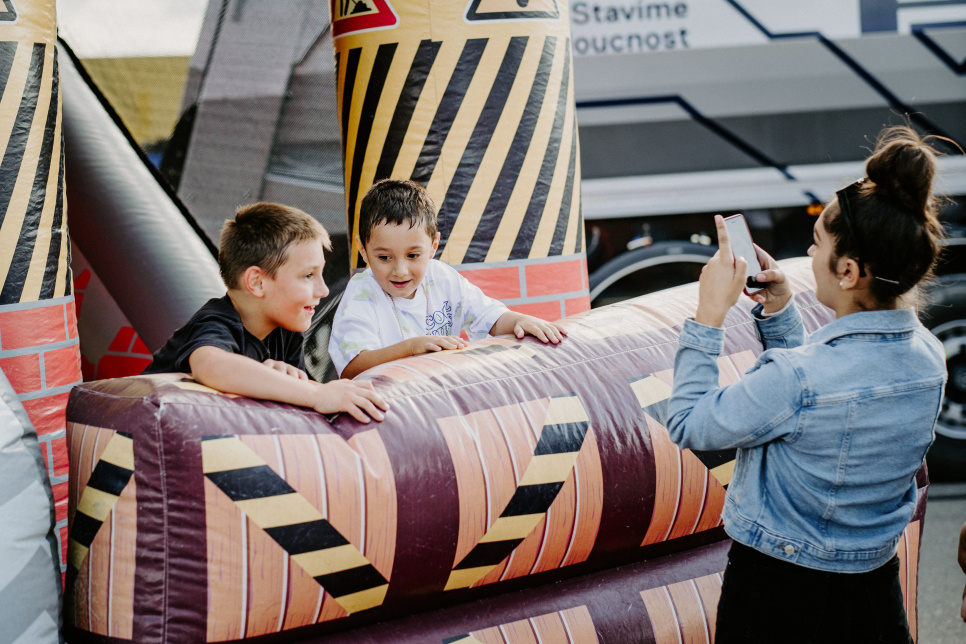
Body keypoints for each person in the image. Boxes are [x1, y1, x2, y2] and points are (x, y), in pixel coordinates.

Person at [666, 125, 949, 643]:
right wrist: (780, 313)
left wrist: (708, 315)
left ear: (848, 271)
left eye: (817, 243)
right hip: (873, 587)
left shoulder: (798, 379)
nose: (809, 255)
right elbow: (824, 401)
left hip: (779, 592)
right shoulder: (930, 357)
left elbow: (689, 423)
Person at [144, 202, 389, 424]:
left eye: (321, 274)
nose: (324, 290)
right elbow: (211, 365)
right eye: (308, 275)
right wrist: (317, 393)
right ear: (257, 282)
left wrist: (293, 382)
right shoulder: (216, 321)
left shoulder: (285, 332)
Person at [329, 178, 566, 379]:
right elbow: (352, 367)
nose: (400, 270)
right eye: (384, 257)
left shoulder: (441, 278)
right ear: (363, 250)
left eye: (413, 255)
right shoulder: (361, 294)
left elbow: (488, 317)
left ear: (433, 246)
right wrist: (411, 348)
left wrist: (518, 321)